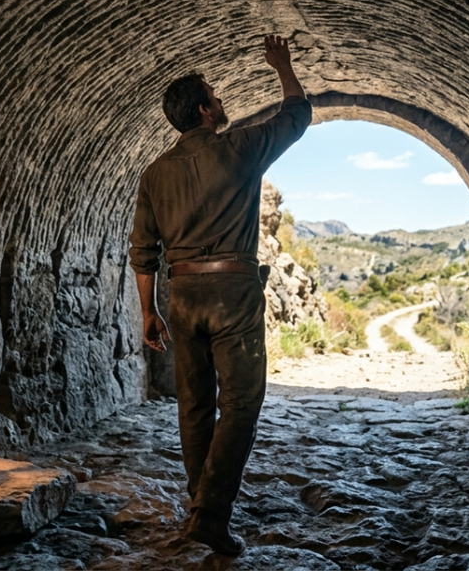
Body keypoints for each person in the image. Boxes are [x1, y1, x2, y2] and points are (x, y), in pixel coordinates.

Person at [128, 35, 311, 555]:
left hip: (182, 294)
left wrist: (149, 311)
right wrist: (283, 66)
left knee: (194, 405)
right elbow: (296, 116)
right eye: (215, 95)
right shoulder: (239, 148)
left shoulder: (154, 173)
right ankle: (209, 513)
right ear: (206, 111)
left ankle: (199, 505)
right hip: (233, 291)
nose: (222, 99)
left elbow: (143, 251)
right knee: (241, 403)